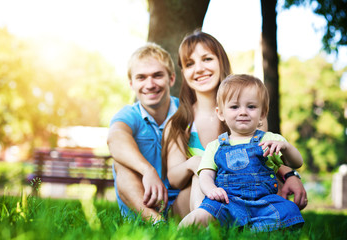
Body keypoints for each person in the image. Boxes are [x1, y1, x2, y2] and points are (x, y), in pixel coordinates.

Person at [162, 30, 308, 214]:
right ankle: (203, 230)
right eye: (190, 64)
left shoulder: (247, 114)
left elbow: (266, 156)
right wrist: (196, 163)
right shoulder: (179, 123)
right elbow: (174, 178)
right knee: (201, 175)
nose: (199, 68)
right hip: (193, 199)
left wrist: (291, 175)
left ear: (221, 61)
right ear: (183, 72)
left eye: (207, 59)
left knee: (263, 179)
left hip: (243, 194)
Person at [178, 74, 305, 231]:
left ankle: (254, 228)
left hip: (263, 202)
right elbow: (205, 175)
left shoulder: (271, 139)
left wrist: (285, 147)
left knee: (289, 210)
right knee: (202, 214)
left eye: (251, 107)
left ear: (263, 113)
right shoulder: (215, 146)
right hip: (227, 201)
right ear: (221, 113)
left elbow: (297, 163)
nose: (243, 112)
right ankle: (179, 232)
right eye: (234, 107)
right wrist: (211, 189)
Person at [107, 43, 190, 223]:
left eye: (157, 75)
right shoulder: (129, 115)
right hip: (143, 206)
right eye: (141, 78)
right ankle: (157, 223)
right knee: (121, 164)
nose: (150, 84)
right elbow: (115, 139)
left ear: (172, 79)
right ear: (132, 84)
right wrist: (147, 170)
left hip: (183, 203)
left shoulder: (187, 112)